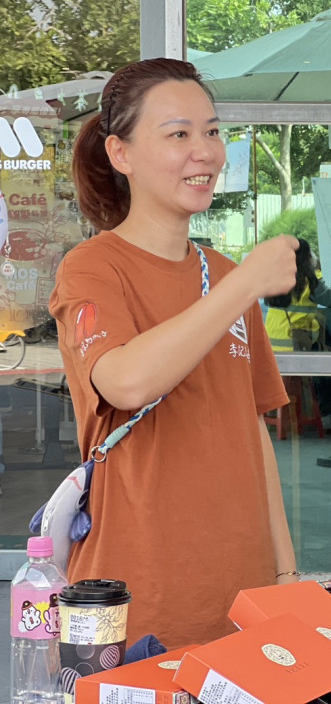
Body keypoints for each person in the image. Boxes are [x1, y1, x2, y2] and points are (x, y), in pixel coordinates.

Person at [48, 58, 301, 648]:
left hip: (240, 594)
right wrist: (245, 285)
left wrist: (285, 575)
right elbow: (126, 382)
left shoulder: (227, 274)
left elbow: (251, 430)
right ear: (121, 154)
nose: (205, 152)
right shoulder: (92, 268)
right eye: (179, 134)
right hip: (132, 599)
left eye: (212, 131)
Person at [264, 239, 331, 352]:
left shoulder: (274, 282)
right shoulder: (309, 283)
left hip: (270, 346)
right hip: (294, 347)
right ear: (306, 258)